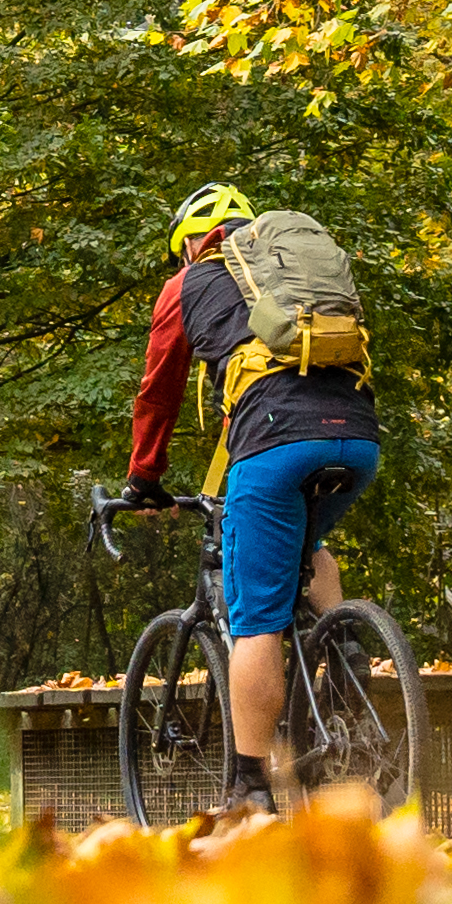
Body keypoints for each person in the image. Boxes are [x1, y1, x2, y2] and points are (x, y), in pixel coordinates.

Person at [126, 181, 378, 808]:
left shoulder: (187, 283)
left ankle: (248, 785)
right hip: (359, 436)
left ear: (187, 244)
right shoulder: (290, 272)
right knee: (307, 544)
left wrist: (144, 479)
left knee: (257, 620)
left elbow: (159, 392)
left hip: (274, 441)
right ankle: (345, 655)